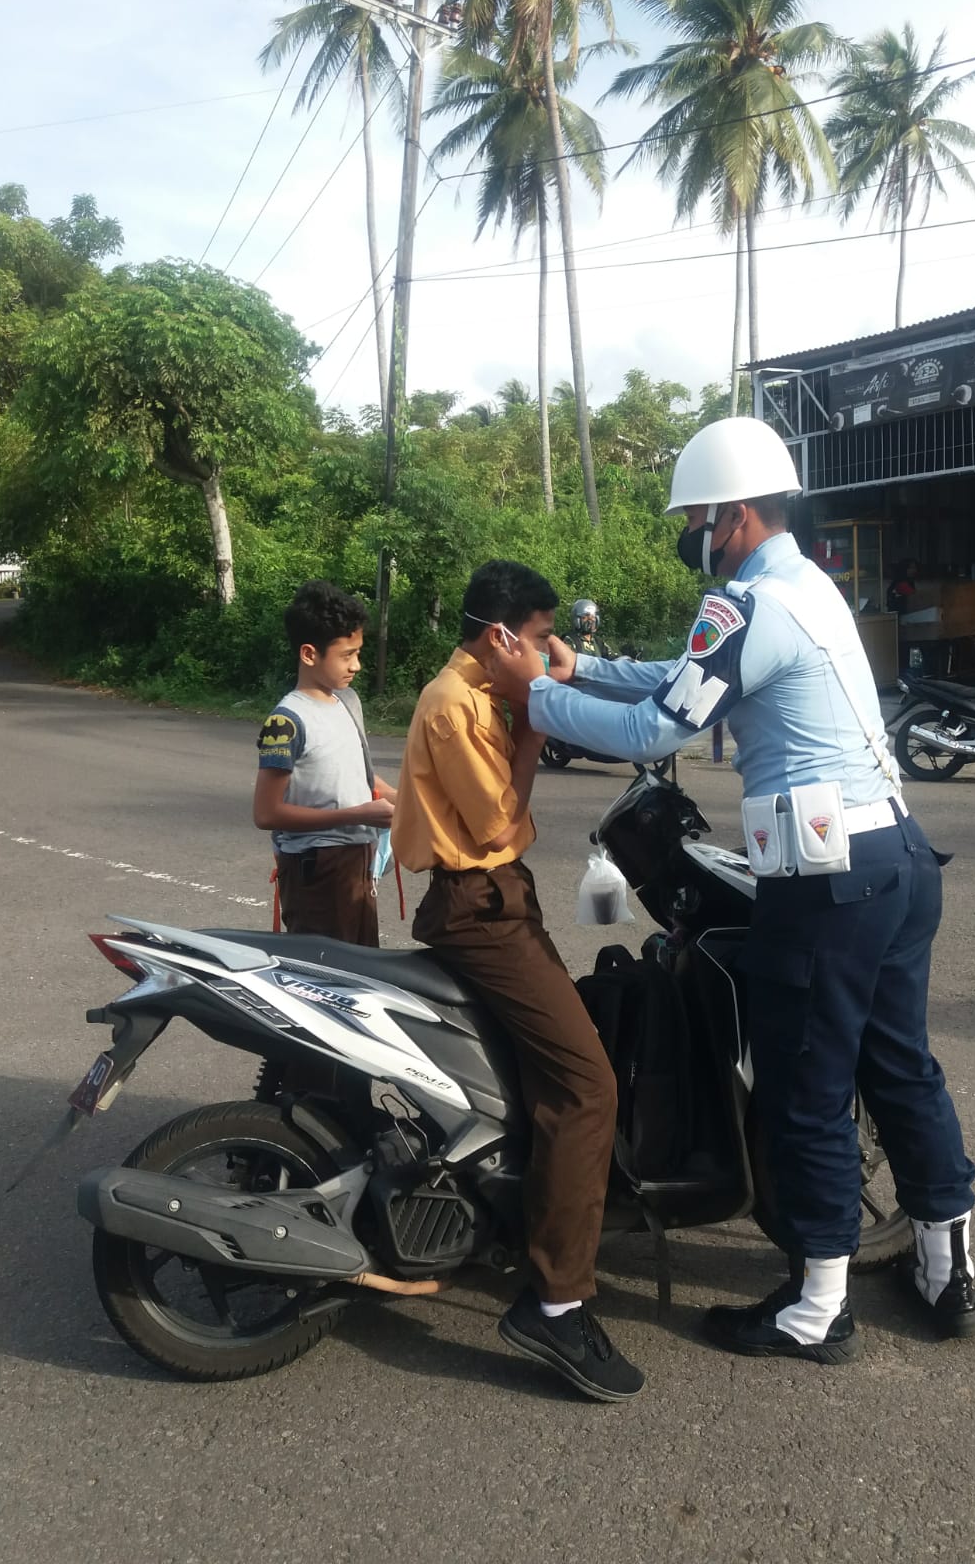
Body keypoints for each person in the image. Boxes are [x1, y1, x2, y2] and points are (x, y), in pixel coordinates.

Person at [489, 418, 975, 1366]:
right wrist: (579, 666)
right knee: (900, 1066)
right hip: (896, 860)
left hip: (826, 884)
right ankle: (945, 1264)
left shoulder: (744, 605)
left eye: (697, 518)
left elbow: (658, 730)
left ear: (734, 513)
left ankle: (817, 1306)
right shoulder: (804, 588)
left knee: (804, 1085)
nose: (691, 534)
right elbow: (683, 680)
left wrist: (532, 697)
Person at [390, 559, 643, 1403]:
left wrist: (547, 693)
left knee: (546, 1075)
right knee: (587, 1084)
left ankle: (516, 1228)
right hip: (479, 909)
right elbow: (500, 820)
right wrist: (535, 722)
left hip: (498, 901)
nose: (543, 653)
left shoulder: (478, 690)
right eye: (535, 640)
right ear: (499, 637)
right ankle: (557, 1303)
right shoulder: (458, 703)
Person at [254, 580, 397, 946]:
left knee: (365, 975)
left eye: (358, 652)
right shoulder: (286, 722)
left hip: (358, 864)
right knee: (329, 981)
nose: (357, 665)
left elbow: (357, 777)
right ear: (308, 654)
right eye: (346, 655)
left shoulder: (347, 701)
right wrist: (358, 815)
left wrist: (410, 800)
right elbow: (267, 814)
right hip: (317, 873)